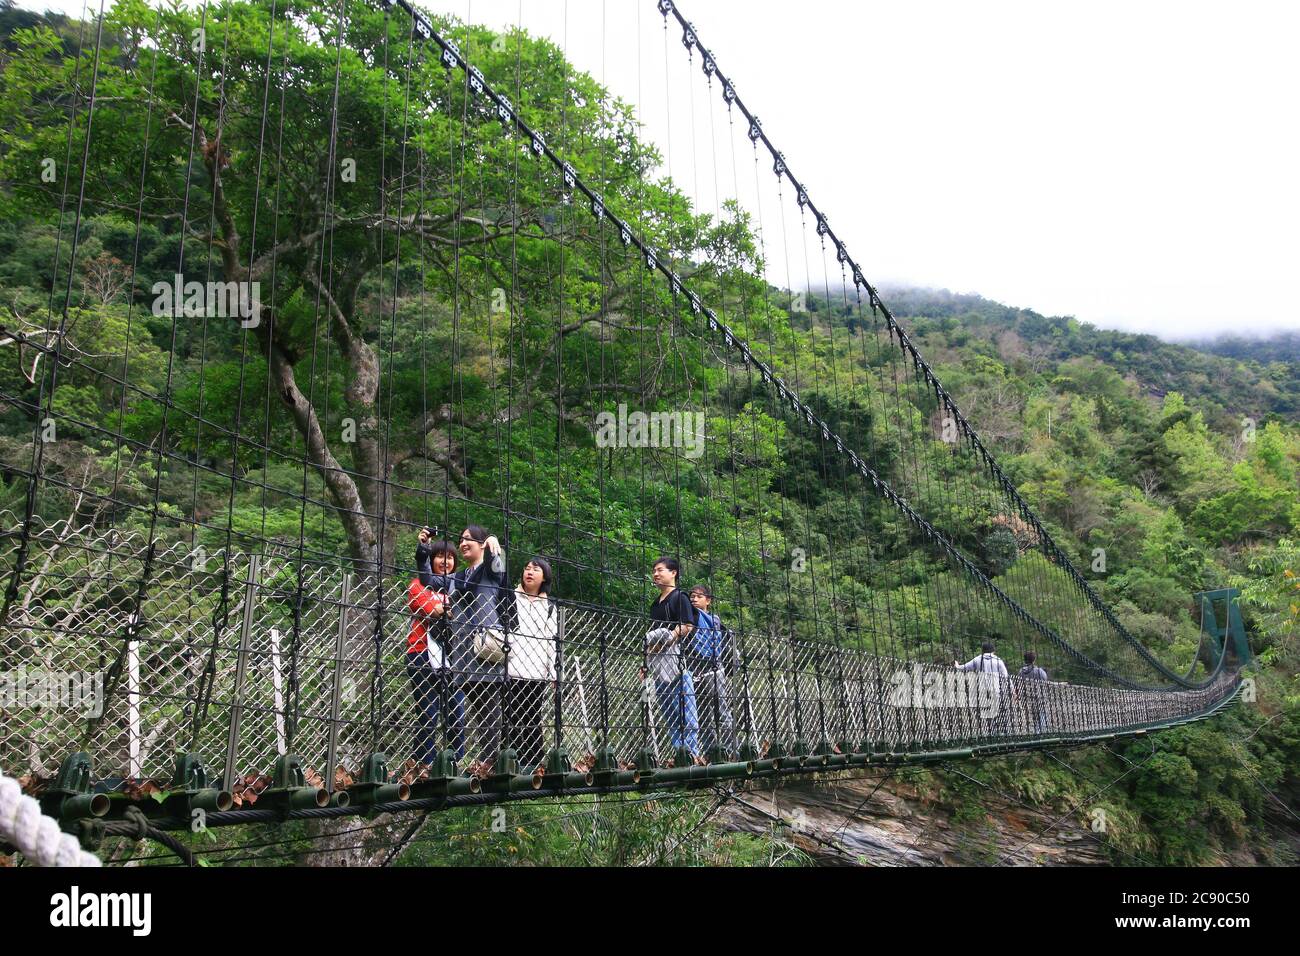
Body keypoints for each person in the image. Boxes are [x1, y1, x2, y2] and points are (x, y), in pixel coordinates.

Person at [448, 525, 510, 776]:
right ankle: (488, 758)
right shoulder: (460, 576)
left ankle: (491, 760)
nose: (463, 544)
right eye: (461, 540)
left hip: (485, 647)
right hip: (463, 649)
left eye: (469, 540)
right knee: (478, 707)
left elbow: (500, 567)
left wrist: (495, 545)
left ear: (482, 544)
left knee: (490, 706)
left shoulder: (490, 572)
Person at [406, 532, 464, 763]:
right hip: (420, 653)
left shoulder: (457, 586)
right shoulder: (419, 584)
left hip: (453, 658)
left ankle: (454, 763)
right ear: (430, 561)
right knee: (428, 715)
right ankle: (424, 764)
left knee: (457, 714)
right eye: (439, 556)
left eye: (450, 557)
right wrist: (451, 609)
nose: (445, 561)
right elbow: (431, 609)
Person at [502, 557, 557, 773]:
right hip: (512, 667)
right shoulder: (511, 599)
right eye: (526, 568)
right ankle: (512, 761)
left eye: (535, 569)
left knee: (533, 715)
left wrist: (553, 673)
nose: (529, 572)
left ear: (545, 577)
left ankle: (534, 763)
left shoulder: (550, 608)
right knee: (511, 714)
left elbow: (553, 642)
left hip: (537, 671)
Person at [645, 556, 700, 763]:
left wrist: (669, 638)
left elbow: (687, 625)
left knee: (687, 713)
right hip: (658, 665)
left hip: (677, 662)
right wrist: (646, 662)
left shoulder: (680, 597)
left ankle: (691, 755)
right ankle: (680, 754)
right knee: (670, 713)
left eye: (660, 570)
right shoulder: (655, 604)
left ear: (673, 572)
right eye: (654, 571)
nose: (656, 574)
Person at [687, 584, 736, 759]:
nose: (693, 599)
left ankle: (732, 751)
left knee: (721, 712)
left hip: (713, 671)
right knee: (701, 715)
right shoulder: (689, 619)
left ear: (708, 600)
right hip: (695, 673)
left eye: (698, 596)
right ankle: (711, 752)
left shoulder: (712, 619)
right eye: (691, 596)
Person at [954, 641, 1010, 735]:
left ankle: (989, 732)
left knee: (987, 712)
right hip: (995, 690)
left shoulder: (977, 659)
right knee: (997, 711)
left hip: (982, 690)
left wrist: (957, 665)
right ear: (993, 650)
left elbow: (964, 667)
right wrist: (1010, 689)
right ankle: (999, 732)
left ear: (983, 650)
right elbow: (1006, 677)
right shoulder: (998, 660)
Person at [1017, 650, 1049, 733]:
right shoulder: (1039, 671)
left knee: (1033, 717)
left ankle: (1035, 732)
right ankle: (1041, 734)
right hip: (1039, 697)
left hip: (1027, 698)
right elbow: (1045, 681)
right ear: (1034, 660)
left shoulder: (1021, 672)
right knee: (1042, 716)